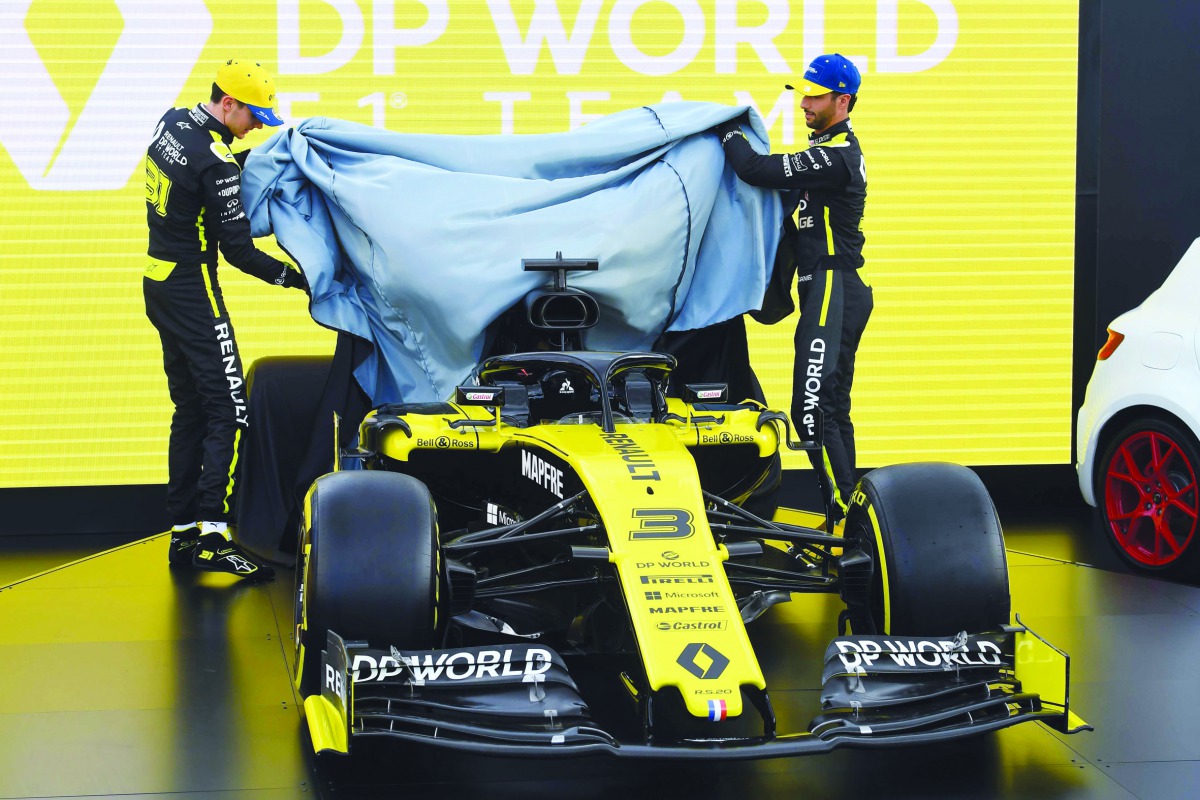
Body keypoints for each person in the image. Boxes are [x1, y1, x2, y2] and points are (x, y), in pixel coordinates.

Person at [143, 59, 307, 579]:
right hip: (193, 288)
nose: (257, 126)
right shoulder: (216, 164)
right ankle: (214, 534)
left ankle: (182, 533)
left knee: (191, 408)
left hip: (158, 282)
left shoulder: (172, 122)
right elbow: (239, 253)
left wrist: (242, 156)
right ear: (228, 103)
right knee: (230, 407)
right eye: (253, 116)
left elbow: (202, 156)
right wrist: (297, 278)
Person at [715, 54, 873, 525]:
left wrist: (726, 132)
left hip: (833, 287)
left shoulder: (837, 155)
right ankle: (851, 519)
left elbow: (756, 169)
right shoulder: (829, 151)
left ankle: (846, 520)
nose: (804, 103)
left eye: (815, 96)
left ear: (842, 102)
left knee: (812, 415)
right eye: (803, 93)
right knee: (830, 411)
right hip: (829, 290)